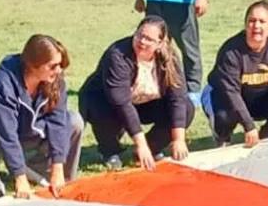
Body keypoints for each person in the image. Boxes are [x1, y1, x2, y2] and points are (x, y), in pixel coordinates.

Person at [0, 35, 84, 199]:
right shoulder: (2, 83)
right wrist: (20, 177)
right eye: (52, 66)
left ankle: (62, 182)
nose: (58, 70)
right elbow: (6, 132)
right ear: (34, 65)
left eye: (60, 65)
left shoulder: (55, 80)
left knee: (74, 121)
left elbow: (58, 122)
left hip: (30, 132)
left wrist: (57, 167)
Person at [79, 16, 194, 171]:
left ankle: (152, 147)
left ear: (160, 43)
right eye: (139, 35)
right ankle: (109, 150)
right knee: (100, 108)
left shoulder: (170, 58)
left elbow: (177, 98)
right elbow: (122, 103)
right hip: (108, 101)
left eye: (149, 39)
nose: (142, 41)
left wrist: (179, 139)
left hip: (146, 102)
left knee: (187, 108)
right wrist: (140, 143)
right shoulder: (117, 55)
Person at [205, 0, 268, 148]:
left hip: (258, 97)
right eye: (252, 21)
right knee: (224, 116)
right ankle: (222, 138)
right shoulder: (231, 51)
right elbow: (231, 93)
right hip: (222, 96)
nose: (256, 26)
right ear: (246, 25)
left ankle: (266, 136)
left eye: (262, 21)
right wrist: (249, 126)